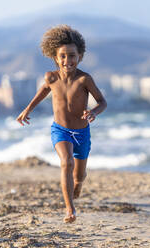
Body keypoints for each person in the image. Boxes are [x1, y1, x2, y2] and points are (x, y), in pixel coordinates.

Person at [16, 25, 107, 223]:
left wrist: (93, 112)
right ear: (55, 58)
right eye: (63, 56)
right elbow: (42, 92)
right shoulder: (51, 77)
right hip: (60, 130)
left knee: (79, 175)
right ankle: (69, 210)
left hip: (82, 133)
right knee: (66, 162)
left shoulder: (85, 79)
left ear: (80, 56)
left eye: (72, 55)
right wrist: (27, 109)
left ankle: (78, 184)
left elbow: (102, 102)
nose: (68, 60)